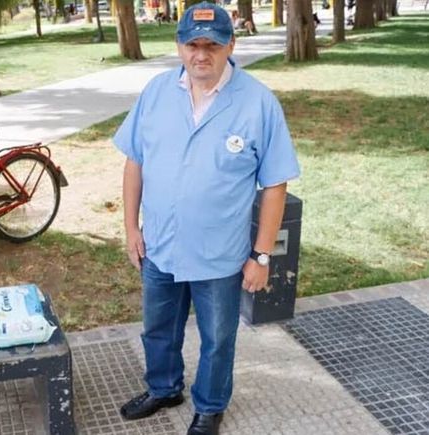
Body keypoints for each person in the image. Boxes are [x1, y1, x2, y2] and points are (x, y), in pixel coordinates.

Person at [113, 2, 300, 434]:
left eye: (212, 44)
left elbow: (275, 183)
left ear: (230, 45)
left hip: (220, 256)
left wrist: (262, 255)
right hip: (159, 245)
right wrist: (131, 228)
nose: (202, 54)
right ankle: (163, 388)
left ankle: (211, 406)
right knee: (158, 328)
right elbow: (134, 162)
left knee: (218, 340)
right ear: (178, 45)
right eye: (192, 44)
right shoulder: (156, 92)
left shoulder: (258, 102)